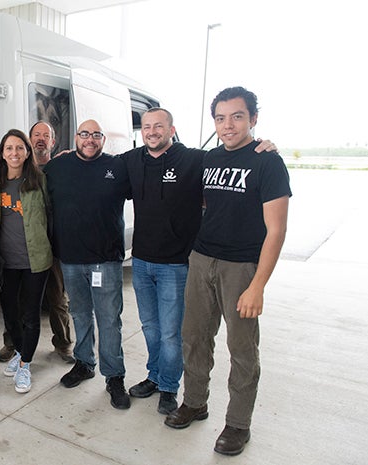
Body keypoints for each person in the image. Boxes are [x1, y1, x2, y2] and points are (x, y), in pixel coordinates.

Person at [123, 109, 279, 416]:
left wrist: (265, 146)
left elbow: (236, 155)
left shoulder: (195, 159)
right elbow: (96, 161)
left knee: (173, 332)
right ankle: (155, 377)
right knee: (151, 328)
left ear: (172, 129)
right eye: (147, 127)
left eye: (159, 126)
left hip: (176, 265)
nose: (152, 131)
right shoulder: (132, 159)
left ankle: (169, 386)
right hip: (141, 262)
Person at [164, 87, 291, 457]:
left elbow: (277, 230)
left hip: (241, 268)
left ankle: (238, 424)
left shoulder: (268, 162)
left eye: (237, 116)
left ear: (253, 118)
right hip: (202, 259)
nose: (228, 124)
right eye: (220, 118)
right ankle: (195, 402)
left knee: (242, 350)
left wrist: (258, 286)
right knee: (194, 338)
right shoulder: (209, 159)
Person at [43, 119, 132, 409]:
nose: (89, 140)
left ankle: (114, 376)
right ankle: (84, 363)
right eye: (84, 134)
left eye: (95, 135)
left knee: (108, 320)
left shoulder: (118, 167)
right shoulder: (58, 167)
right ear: (76, 138)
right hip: (70, 259)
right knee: (80, 314)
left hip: (105, 260)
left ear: (103, 139)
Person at [0, 121, 74, 364]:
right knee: (17, 302)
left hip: (49, 246)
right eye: (36, 135)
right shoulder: (0, 178)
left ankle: (63, 343)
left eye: (45, 136)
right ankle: (12, 345)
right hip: (16, 251)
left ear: (53, 140)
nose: (40, 139)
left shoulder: (58, 168)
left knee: (57, 298)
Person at [0, 129, 52, 394]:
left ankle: (25, 364)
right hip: (6, 262)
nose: (14, 153)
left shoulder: (40, 181)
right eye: (9, 148)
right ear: (2, 153)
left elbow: (52, 213)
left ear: (27, 153)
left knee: (31, 314)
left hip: (36, 259)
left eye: (19, 148)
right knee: (10, 313)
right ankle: (20, 352)